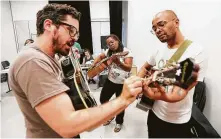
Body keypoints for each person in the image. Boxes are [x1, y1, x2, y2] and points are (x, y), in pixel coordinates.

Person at [8, 4, 143, 138]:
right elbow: (68, 125)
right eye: (71, 30)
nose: (75, 38)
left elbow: (82, 78)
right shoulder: (32, 61)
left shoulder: (53, 57)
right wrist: (123, 99)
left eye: (76, 33)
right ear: (48, 25)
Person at [138, 10, 206, 138]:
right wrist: (138, 81)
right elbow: (145, 67)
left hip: (177, 120)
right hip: (154, 112)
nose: (157, 30)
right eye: (154, 28)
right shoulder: (158, 49)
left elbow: (177, 94)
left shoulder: (195, 52)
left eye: (161, 24)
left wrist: (150, 92)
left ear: (176, 22)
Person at [92, 34, 133, 132]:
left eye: (112, 42)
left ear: (117, 41)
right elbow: (101, 56)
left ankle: (119, 122)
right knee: (103, 99)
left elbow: (128, 67)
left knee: (121, 104)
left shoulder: (127, 52)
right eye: (108, 44)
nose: (110, 45)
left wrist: (118, 62)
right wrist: (94, 63)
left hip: (122, 83)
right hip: (110, 80)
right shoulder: (109, 52)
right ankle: (110, 116)